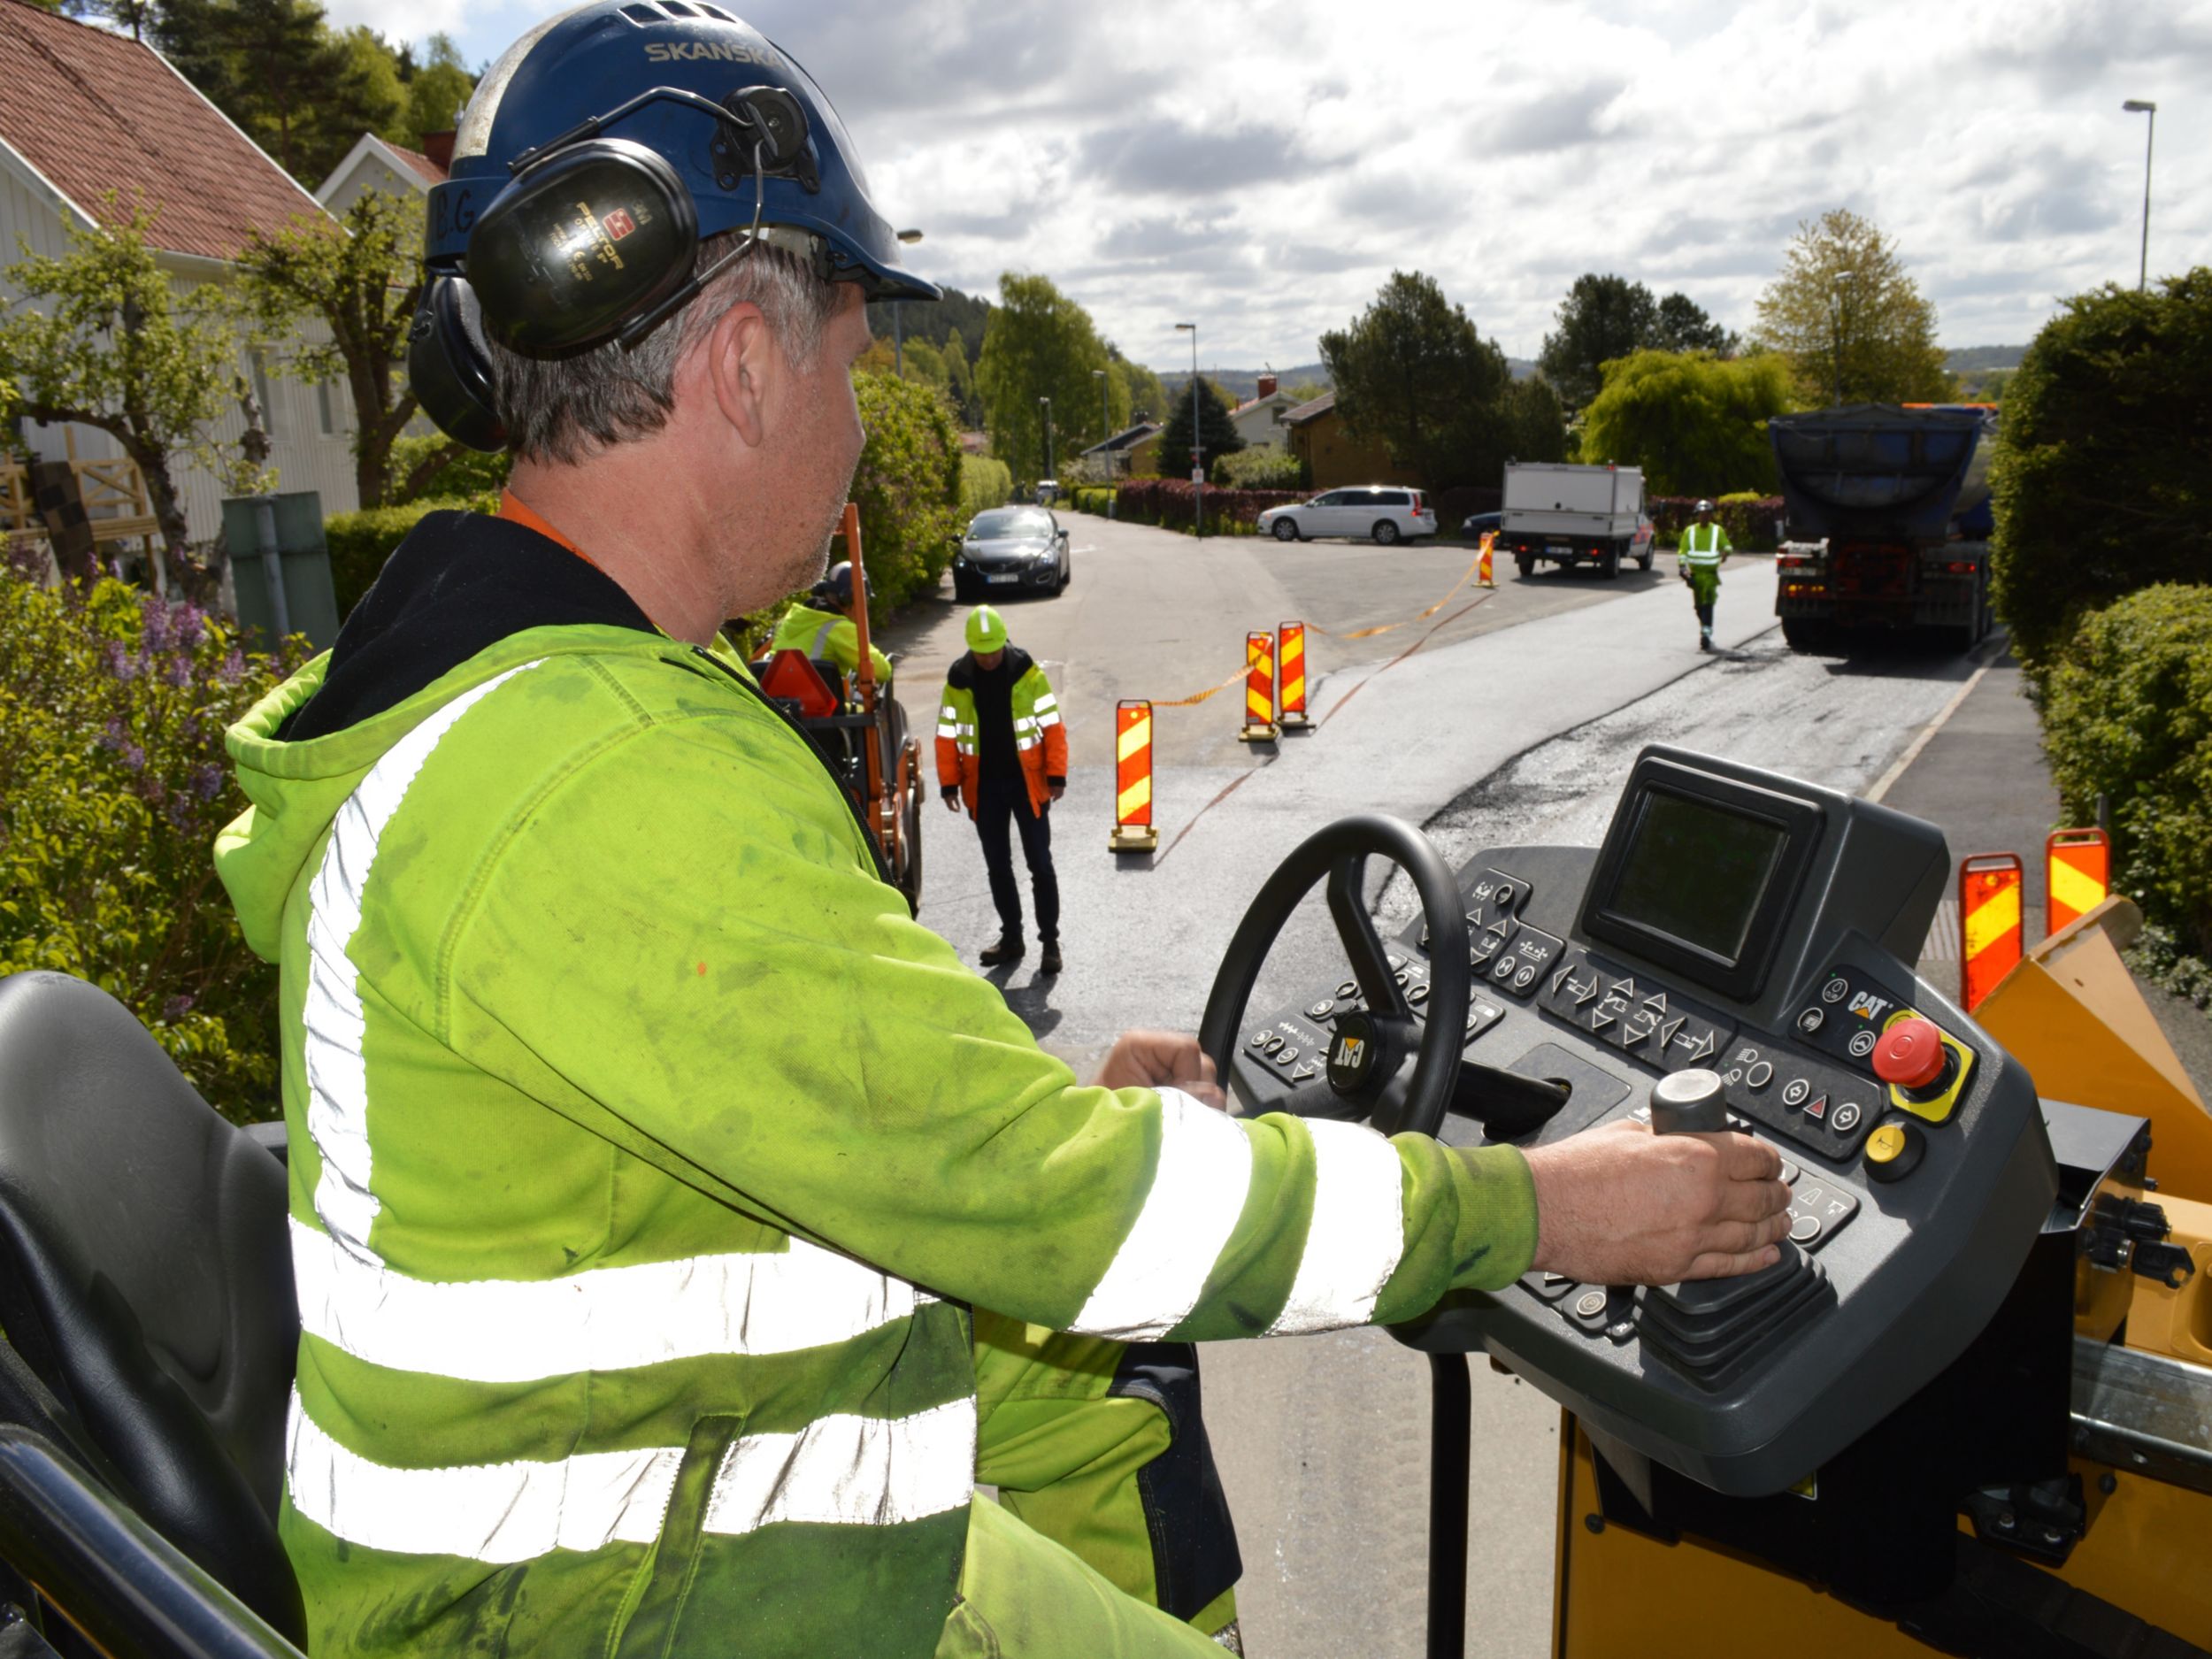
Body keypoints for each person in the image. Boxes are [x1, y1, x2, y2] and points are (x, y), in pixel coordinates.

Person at [214, 11, 1793, 1657]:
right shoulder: (588, 771)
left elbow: (817, 1121)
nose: (858, 405)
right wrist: (1547, 1210)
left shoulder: (551, 716)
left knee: (1115, 1464)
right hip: (634, 1611)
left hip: (695, 1524)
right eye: (849, 350)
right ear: (748, 369)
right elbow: (1048, 1213)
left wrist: (1030, 1120)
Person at [938, 604, 1065, 973]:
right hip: (985, 787)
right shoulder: (959, 679)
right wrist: (949, 783)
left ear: (1003, 642)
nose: (989, 658)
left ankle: (1050, 944)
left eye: (994, 650)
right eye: (982, 652)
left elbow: (1053, 727)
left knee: (1040, 865)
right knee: (998, 867)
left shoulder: (1028, 674)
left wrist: (1056, 775)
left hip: (1028, 783)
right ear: (971, 648)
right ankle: (1012, 938)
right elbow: (946, 735)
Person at [768, 559, 893, 686]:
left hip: (773, 701)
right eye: (864, 600)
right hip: (818, 704)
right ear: (849, 599)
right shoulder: (840, 628)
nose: (865, 607)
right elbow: (882, 671)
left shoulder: (790, 619)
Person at [1678, 499, 1733, 651]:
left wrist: (1725, 552)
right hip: (1695, 575)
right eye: (1701, 514)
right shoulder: (1690, 531)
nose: (1704, 517)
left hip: (1709, 575)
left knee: (1708, 603)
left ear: (1711, 515)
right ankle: (1705, 627)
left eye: (1707, 514)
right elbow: (1683, 551)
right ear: (1697, 515)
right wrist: (1683, 568)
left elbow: (1727, 545)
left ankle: (1706, 634)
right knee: (1698, 606)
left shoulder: (1717, 530)